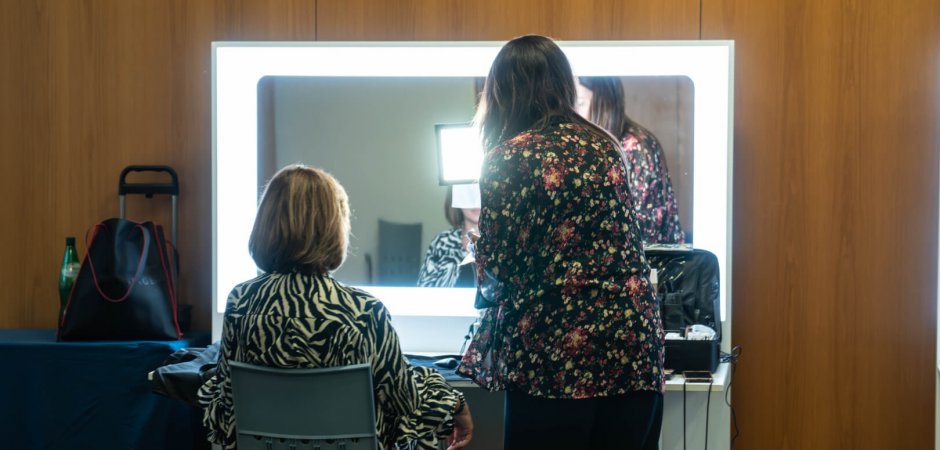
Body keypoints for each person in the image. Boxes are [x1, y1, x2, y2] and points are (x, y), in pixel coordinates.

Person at [456, 35, 664, 450]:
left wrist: (480, 247)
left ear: (501, 91)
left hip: (555, 355)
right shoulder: (605, 146)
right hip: (632, 346)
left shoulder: (507, 157)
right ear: (563, 84)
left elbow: (499, 275)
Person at [198, 164, 473, 450]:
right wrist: (454, 400)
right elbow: (406, 402)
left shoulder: (240, 302)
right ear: (333, 227)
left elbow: (226, 395)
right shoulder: (364, 311)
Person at [576, 76, 686, 244]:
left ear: (603, 101)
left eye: (580, 103)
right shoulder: (589, 146)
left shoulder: (636, 148)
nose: (574, 113)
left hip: (648, 256)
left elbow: (642, 233)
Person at [417, 186, 481, 288]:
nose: (475, 200)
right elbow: (423, 293)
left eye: (481, 192)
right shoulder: (441, 243)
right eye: (468, 193)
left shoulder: (506, 245)